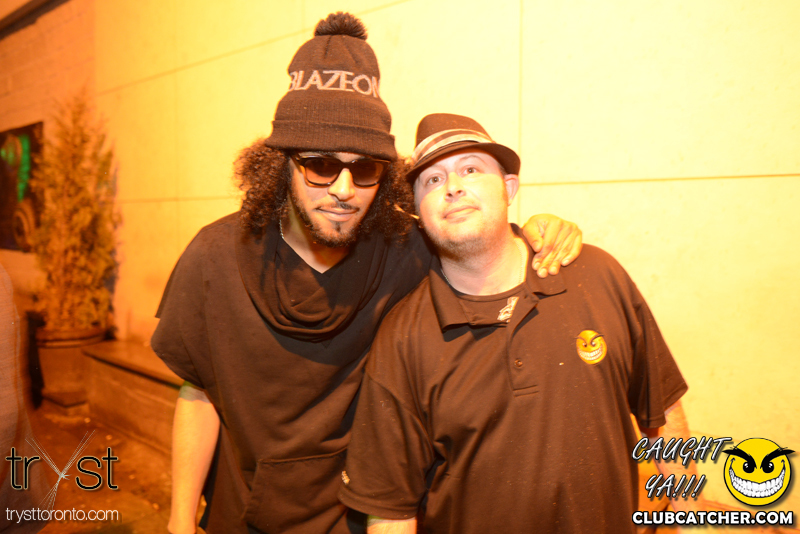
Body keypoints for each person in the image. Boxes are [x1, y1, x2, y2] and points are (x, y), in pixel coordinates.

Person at [151, 14, 582, 534]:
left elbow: (481, 249)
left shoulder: (407, 251)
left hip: (366, 518)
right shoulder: (214, 256)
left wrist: (533, 230)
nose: (343, 189)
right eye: (320, 165)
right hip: (245, 515)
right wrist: (178, 521)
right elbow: (198, 393)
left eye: (365, 168)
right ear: (282, 164)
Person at [338, 113, 696, 534]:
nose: (453, 187)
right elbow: (389, 511)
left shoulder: (598, 275)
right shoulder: (403, 338)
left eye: (471, 169)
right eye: (432, 180)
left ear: (509, 188)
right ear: (418, 209)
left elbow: (662, 415)